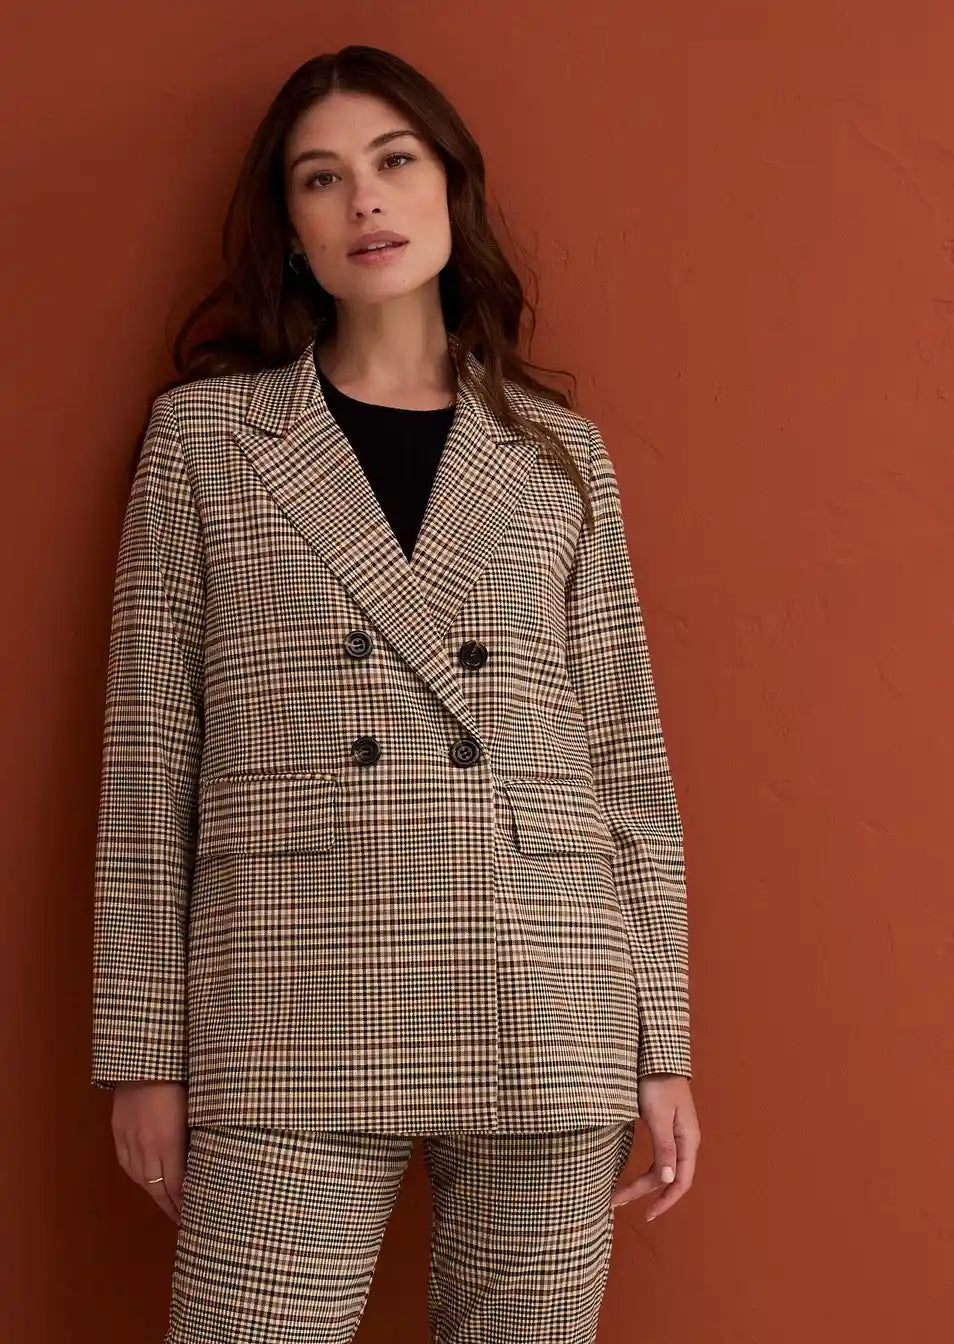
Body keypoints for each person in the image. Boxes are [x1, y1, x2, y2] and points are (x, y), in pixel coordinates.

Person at [91, 43, 701, 1343]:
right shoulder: (206, 441)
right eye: (321, 178)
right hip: (290, 989)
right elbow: (149, 761)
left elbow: (624, 765)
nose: (364, 199)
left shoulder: (556, 456)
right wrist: (142, 1052)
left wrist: (661, 1042)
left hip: (544, 989)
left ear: (448, 189)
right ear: (291, 228)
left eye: (393, 160)